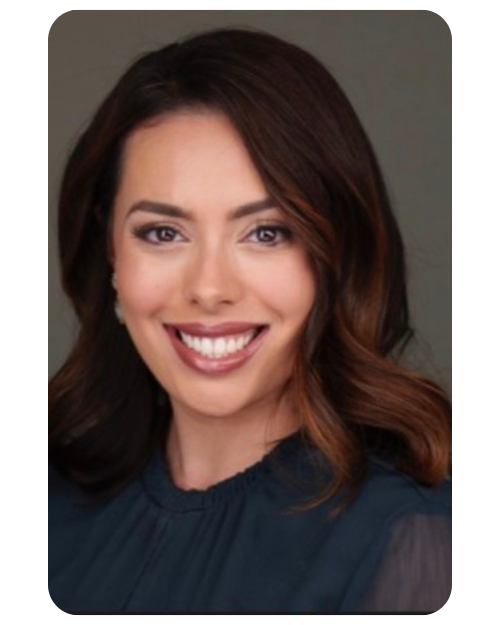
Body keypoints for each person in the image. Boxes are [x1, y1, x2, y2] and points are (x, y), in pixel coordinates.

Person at [49, 28, 451, 614]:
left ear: (334, 255)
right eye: (163, 233)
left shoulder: (411, 541)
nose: (210, 289)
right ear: (110, 249)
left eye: (266, 233)